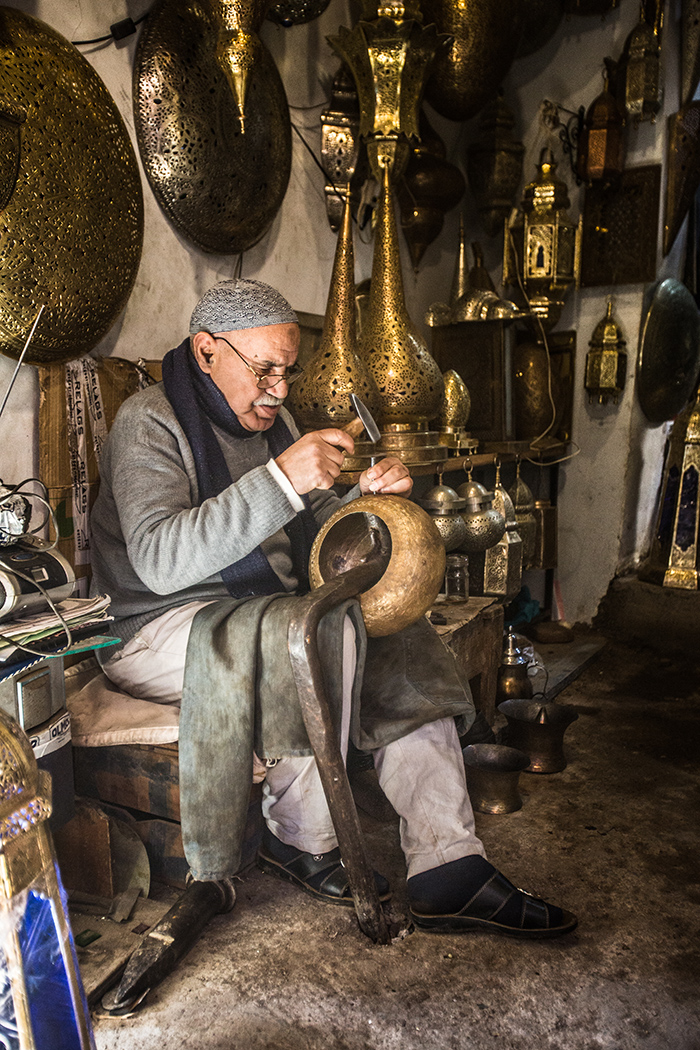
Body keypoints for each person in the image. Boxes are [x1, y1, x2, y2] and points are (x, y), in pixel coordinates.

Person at [90, 278, 576, 939]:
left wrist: (364, 504)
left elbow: (315, 529)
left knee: (393, 628)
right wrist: (284, 478)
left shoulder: (276, 425)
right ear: (207, 352)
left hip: (261, 605)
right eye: (264, 368)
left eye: (287, 371)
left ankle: (448, 865)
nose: (280, 389)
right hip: (163, 625)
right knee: (315, 631)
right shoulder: (149, 421)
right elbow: (159, 558)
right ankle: (304, 839)